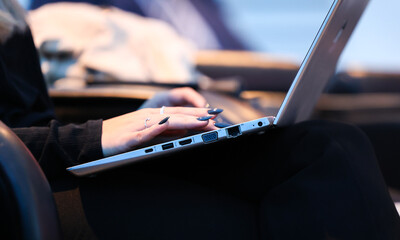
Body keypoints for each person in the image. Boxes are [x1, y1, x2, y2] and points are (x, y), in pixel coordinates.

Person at [1, 0, 399, 239]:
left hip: (44, 160)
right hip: (18, 184)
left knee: (331, 148)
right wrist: (93, 136)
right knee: (277, 215)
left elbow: (27, 115)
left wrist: (135, 118)